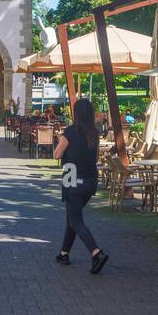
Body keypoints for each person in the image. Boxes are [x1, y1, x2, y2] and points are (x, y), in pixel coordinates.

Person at [54, 97, 108, 273]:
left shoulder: (70, 132)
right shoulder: (95, 133)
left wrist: (61, 141)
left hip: (72, 181)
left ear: (76, 113)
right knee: (73, 217)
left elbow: (56, 155)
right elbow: (95, 157)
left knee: (76, 220)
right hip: (90, 181)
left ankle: (96, 252)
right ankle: (64, 253)